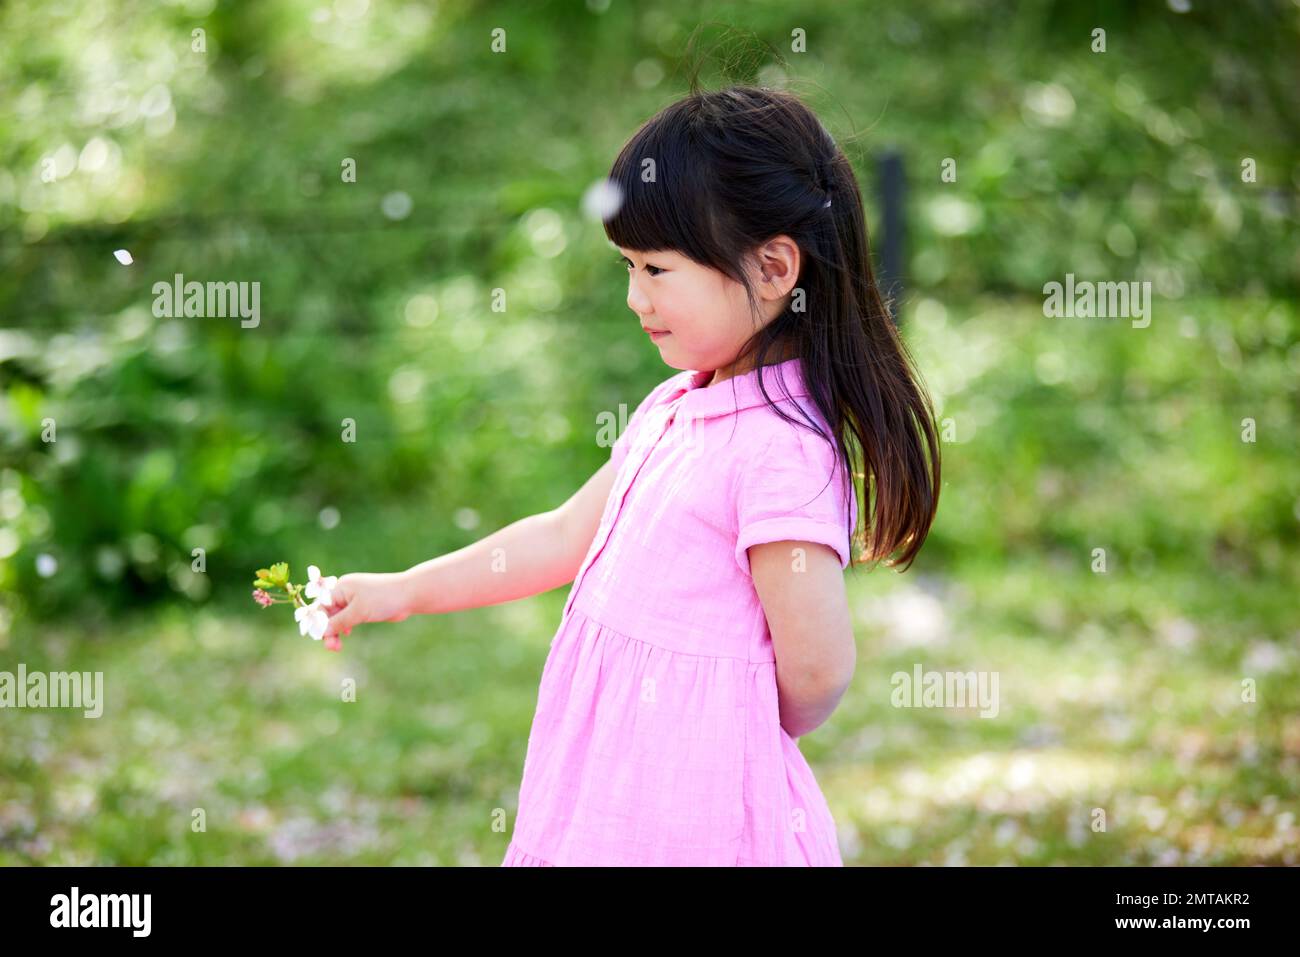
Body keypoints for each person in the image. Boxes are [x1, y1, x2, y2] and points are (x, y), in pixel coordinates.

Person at [319, 84, 941, 866]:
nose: (633, 296)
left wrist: (718, 707)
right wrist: (402, 588)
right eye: (626, 265)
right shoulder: (678, 407)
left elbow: (816, 669)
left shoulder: (779, 452)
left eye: (655, 268)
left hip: (696, 816)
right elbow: (559, 536)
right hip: (606, 793)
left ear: (776, 267)